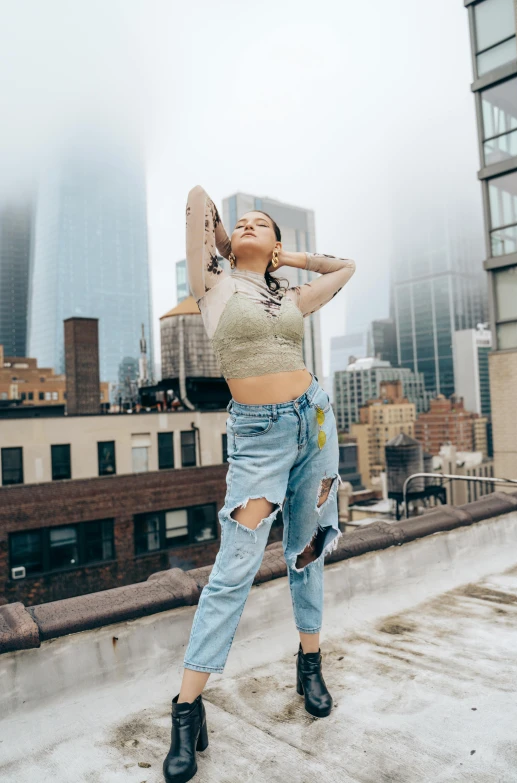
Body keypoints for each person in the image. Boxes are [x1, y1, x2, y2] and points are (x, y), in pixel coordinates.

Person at [163, 185, 356, 783]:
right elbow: (197, 200)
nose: (247, 225)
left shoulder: (290, 293)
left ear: (275, 243)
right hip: (259, 437)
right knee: (234, 566)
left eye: (261, 224)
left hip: (315, 420)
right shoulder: (214, 283)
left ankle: (310, 663)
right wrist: (225, 240)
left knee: (308, 548)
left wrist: (287, 259)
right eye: (240, 221)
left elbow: (346, 267)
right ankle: (187, 709)